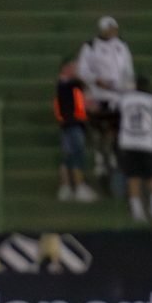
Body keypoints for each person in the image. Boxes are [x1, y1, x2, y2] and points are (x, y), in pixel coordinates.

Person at [76, 16, 134, 177]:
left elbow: (128, 70)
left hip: (118, 95)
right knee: (97, 126)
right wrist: (96, 80)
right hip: (98, 94)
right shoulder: (90, 46)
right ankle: (99, 156)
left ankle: (112, 154)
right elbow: (81, 70)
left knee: (114, 126)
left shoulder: (122, 45)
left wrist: (127, 87)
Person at [116, 75, 152, 223]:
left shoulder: (124, 99)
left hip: (127, 142)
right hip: (145, 143)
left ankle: (137, 212)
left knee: (133, 177)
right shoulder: (151, 100)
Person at [53, 57, 97, 203]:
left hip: (67, 124)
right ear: (65, 68)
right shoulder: (68, 83)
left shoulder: (64, 84)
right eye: (73, 67)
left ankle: (65, 188)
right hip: (73, 124)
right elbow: (82, 87)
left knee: (68, 157)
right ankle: (78, 187)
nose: (77, 70)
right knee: (77, 155)